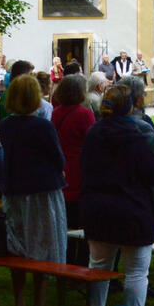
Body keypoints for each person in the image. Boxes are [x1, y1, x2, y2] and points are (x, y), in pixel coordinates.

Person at [82, 84, 154, 306]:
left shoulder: (94, 134)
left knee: (98, 267)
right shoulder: (135, 138)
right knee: (136, 272)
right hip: (132, 211)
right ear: (129, 107)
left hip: (98, 210)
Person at [0, 74, 67, 306]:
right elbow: (58, 158)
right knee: (43, 246)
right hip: (41, 192)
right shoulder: (42, 126)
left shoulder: (6, 125)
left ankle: (20, 304)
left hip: (14, 191)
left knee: (17, 246)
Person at [52, 74, 95, 229]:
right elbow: (92, 142)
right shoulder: (84, 114)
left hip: (62, 166)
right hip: (79, 168)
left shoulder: (56, 112)